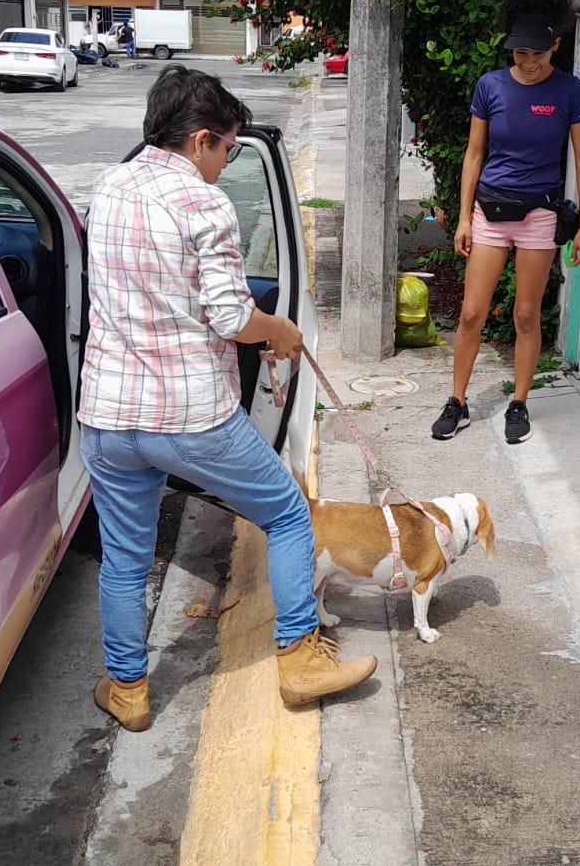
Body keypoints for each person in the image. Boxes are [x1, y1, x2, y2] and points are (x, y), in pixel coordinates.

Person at [80, 64, 377, 732]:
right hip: (187, 416)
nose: (225, 165)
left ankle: (127, 690)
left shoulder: (111, 183)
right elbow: (230, 318)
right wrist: (280, 330)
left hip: (106, 415)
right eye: (229, 150)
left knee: (126, 561)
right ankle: (300, 661)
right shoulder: (203, 203)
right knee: (288, 514)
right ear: (201, 141)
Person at [432, 0, 580, 445]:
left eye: (537, 53)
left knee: (526, 315)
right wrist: (463, 216)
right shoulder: (490, 86)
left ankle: (519, 402)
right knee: (470, 314)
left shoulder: (571, 92)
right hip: (490, 213)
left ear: (555, 45)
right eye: (519, 53)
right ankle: (457, 401)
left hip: (540, 216)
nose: (527, 62)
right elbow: (474, 154)